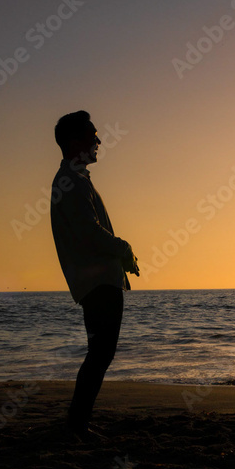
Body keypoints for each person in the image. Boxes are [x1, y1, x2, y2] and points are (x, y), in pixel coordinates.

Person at [50, 111, 139, 438]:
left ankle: (77, 423)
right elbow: (88, 232)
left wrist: (120, 254)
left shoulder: (76, 179)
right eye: (93, 135)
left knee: (100, 353)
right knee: (100, 354)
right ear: (75, 142)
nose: (99, 141)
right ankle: (76, 425)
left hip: (99, 280)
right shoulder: (70, 182)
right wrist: (122, 247)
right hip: (97, 283)